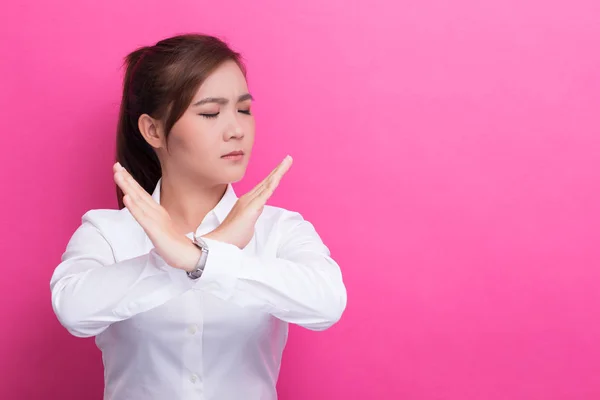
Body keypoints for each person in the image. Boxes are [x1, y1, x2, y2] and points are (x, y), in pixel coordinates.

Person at [49, 33, 347, 400]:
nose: (237, 129)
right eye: (210, 113)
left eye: (244, 109)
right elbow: (73, 310)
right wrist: (194, 257)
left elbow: (327, 302)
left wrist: (198, 258)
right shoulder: (108, 232)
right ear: (154, 130)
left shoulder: (279, 230)